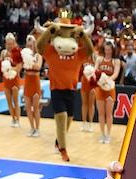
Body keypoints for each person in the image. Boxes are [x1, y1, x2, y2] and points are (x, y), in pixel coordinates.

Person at [36, 18, 93, 162]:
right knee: (61, 119)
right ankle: (63, 149)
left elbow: (90, 50)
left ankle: (58, 142)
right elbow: (39, 46)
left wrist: (83, 35)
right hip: (57, 90)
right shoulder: (51, 52)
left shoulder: (77, 54)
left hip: (71, 91)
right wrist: (50, 31)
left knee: (68, 120)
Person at [92, 39, 120, 145]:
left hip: (110, 88)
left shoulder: (115, 61)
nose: (108, 51)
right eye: (106, 50)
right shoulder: (99, 59)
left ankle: (108, 134)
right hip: (100, 88)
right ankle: (102, 134)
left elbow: (116, 74)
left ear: (112, 50)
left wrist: (107, 80)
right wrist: (100, 80)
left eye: (109, 50)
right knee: (101, 113)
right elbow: (95, 71)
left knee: (108, 113)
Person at [0, 31, 22, 128]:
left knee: (15, 101)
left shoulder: (17, 52)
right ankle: (13, 118)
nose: (9, 45)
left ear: (14, 43)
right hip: (6, 79)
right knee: (9, 101)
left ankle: (18, 119)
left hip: (15, 79)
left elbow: (19, 67)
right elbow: (0, 65)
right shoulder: (3, 53)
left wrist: (11, 69)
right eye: (7, 44)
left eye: (11, 44)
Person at [20, 35, 41, 137]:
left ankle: (37, 129)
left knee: (36, 108)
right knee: (28, 107)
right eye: (28, 45)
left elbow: (38, 66)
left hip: (35, 82)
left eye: (31, 45)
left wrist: (30, 62)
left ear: (34, 45)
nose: (29, 47)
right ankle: (32, 128)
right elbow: (21, 67)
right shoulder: (24, 55)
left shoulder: (38, 56)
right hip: (27, 81)